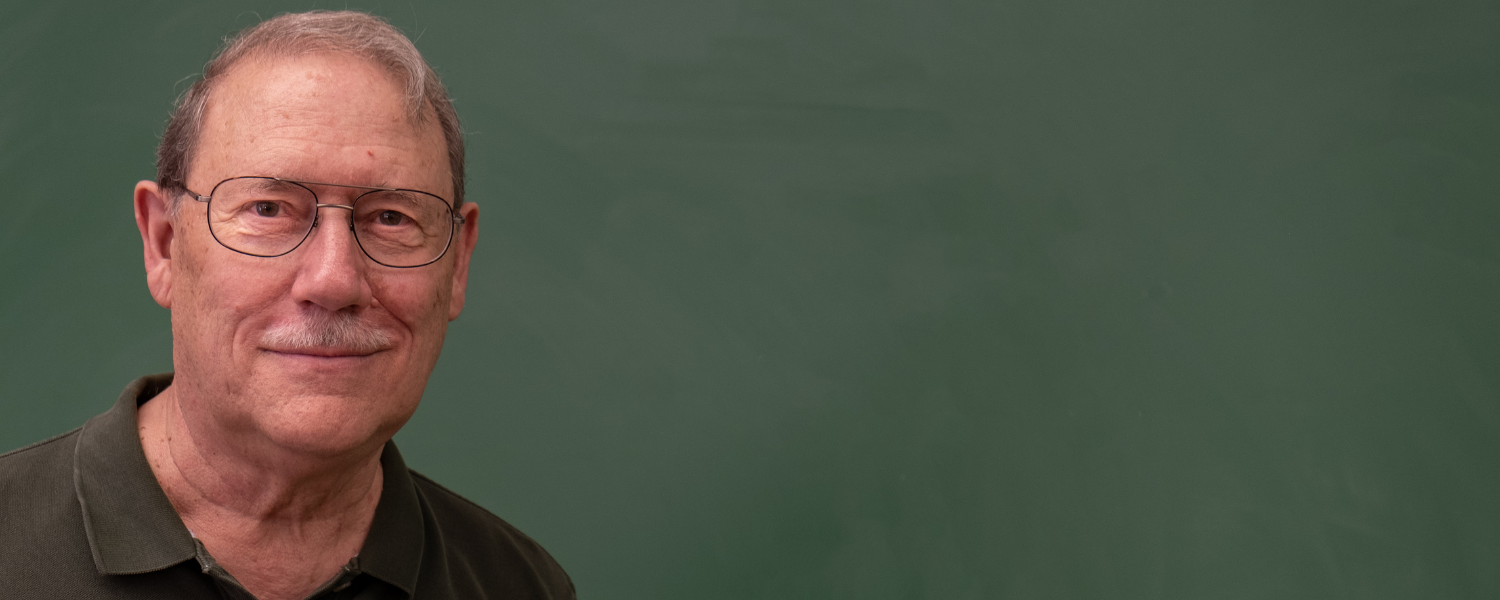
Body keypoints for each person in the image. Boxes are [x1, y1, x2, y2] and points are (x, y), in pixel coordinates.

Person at [0, 10, 575, 600]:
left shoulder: (520, 586)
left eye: (391, 218)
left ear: (458, 263)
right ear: (164, 243)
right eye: (268, 210)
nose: (333, 281)